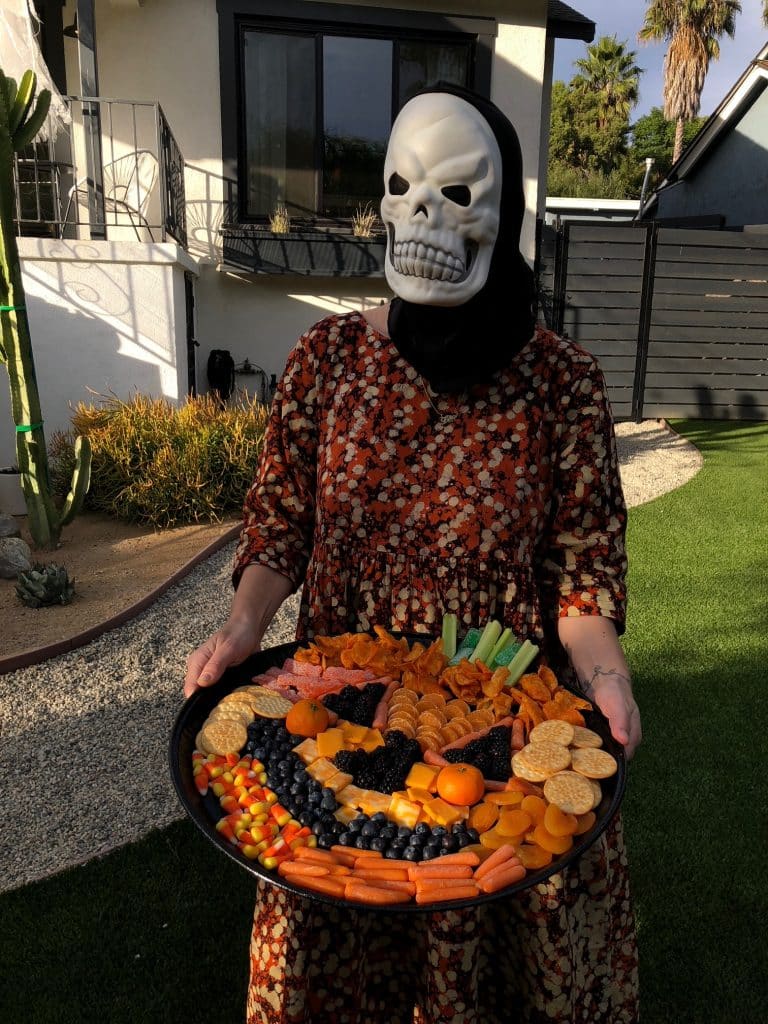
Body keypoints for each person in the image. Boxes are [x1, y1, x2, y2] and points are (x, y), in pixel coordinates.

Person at [185, 84, 641, 1024]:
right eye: (405, 186)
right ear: (385, 202)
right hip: (335, 734)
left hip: (495, 748)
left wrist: (606, 678)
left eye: (459, 193)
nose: (427, 212)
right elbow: (280, 530)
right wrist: (238, 630)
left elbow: (582, 578)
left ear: (503, 209)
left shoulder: (563, 383)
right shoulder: (325, 362)